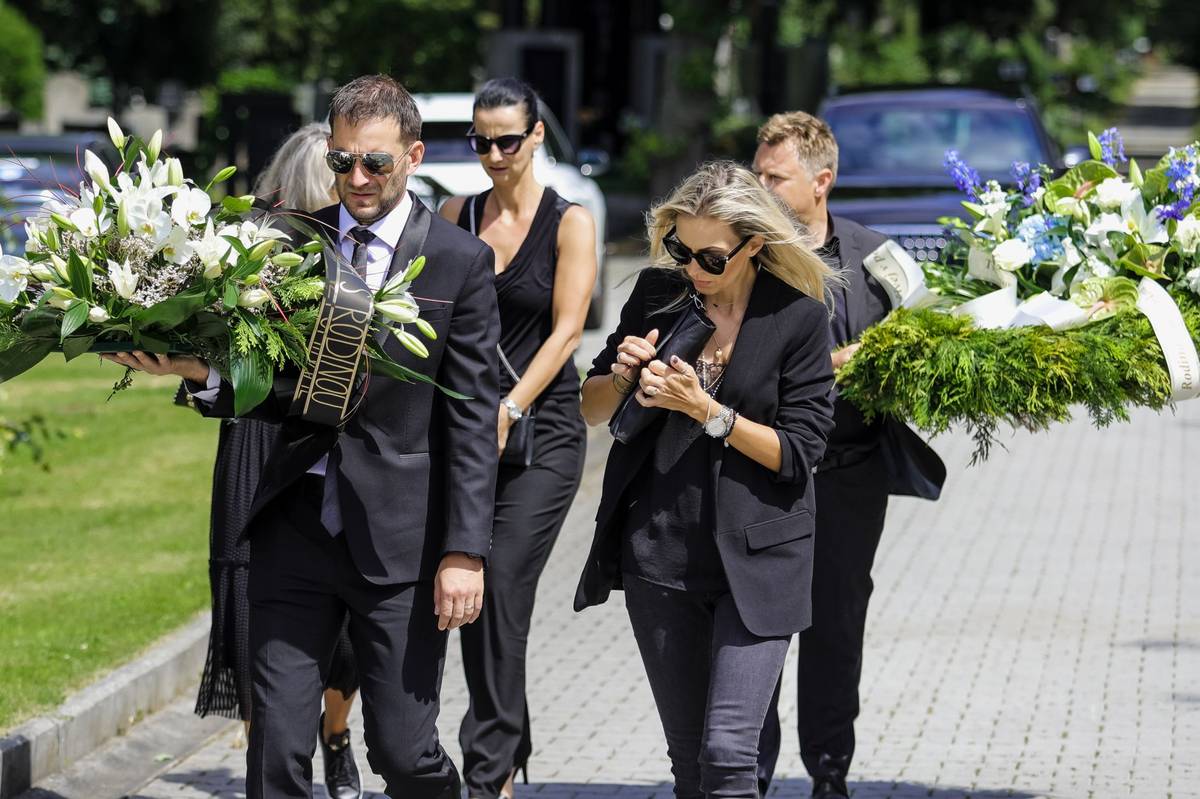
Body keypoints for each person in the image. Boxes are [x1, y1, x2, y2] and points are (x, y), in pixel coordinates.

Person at [105, 73, 500, 799]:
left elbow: (472, 418)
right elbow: (269, 384)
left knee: (404, 753)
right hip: (294, 528)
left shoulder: (459, 260)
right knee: (277, 751)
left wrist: (465, 550)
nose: (357, 177)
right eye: (342, 160)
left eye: (375, 161)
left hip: (401, 544)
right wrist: (198, 372)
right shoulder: (287, 244)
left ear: (413, 156)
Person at [575, 161, 838, 798]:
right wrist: (624, 376)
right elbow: (592, 407)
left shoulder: (798, 318)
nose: (693, 267)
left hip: (759, 562)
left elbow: (800, 451)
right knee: (691, 767)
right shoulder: (657, 295)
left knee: (727, 755)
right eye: (681, 250)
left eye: (712, 258)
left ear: (754, 245)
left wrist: (708, 412)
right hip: (659, 555)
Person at [751, 111, 946, 799]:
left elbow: (927, 336)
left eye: (775, 178)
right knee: (756, 622)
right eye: (757, 173)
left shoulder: (876, 256)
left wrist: (889, 356)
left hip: (849, 474)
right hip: (761, 474)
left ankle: (829, 771)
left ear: (821, 181)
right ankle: (748, 772)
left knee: (836, 623)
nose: (760, 187)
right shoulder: (743, 253)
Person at [188, 121, 365, 799]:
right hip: (254, 445)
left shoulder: (358, 259)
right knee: (251, 612)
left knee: (344, 630)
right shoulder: (248, 252)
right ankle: (270, 758)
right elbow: (212, 360)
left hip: (328, 445)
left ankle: (336, 731)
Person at [438, 78, 595, 799]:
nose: (494, 155)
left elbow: (567, 332)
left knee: (500, 585)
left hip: (546, 431)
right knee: (477, 590)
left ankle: (488, 772)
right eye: (482, 142)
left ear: (536, 137)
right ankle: (508, 740)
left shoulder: (570, 222)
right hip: (473, 433)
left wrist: (508, 407)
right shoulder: (457, 214)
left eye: (508, 140)